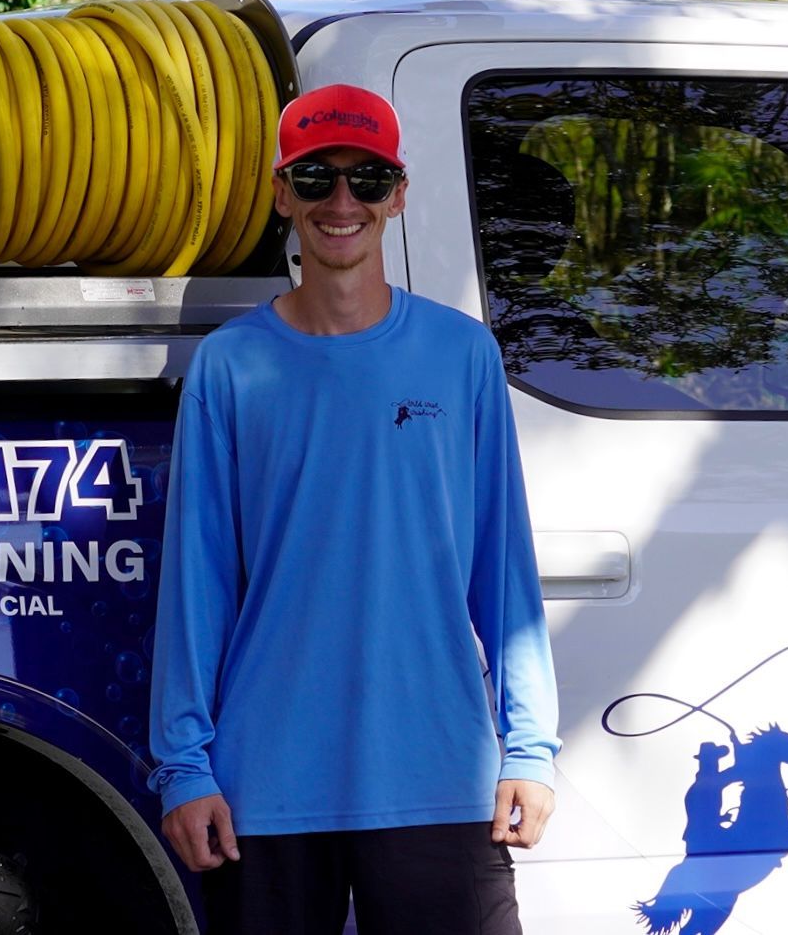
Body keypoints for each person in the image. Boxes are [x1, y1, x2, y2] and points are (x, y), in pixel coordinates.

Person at [148, 83, 562, 935]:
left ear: (399, 194)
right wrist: (186, 768)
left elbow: (504, 574)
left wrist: (529, 749)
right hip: (266, 788)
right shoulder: (229, 368)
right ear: (281, 194)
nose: (342, 202)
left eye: (367, 179)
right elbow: (196, 585)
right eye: (316, 178)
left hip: (440, 778)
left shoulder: (460, 354)